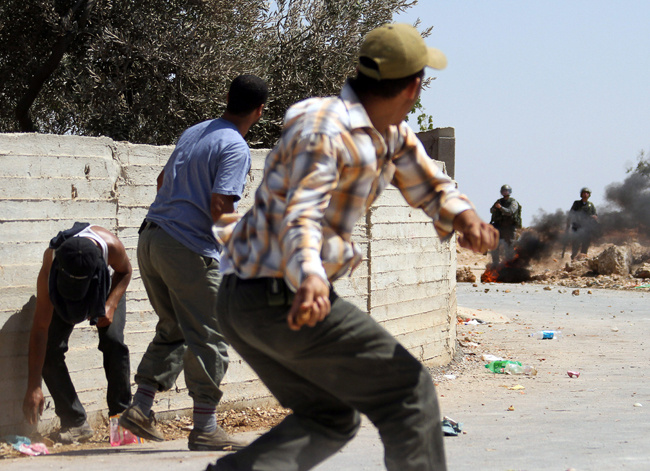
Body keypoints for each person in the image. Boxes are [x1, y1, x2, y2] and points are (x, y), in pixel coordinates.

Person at [207, 24, 498, 471]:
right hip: (279, 293)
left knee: (331, 416)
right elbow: (301, 211)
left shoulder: (390, 134)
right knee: (409, 392)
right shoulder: (325, 128)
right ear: (414, 86)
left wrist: (466, 218)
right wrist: (309, 274)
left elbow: (431, 185)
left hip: (249, 298)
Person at [118, 75, 268, 451]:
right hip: (187, 248)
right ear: (260, 111)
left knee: (174, 328)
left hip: (151, 239)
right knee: (211, 334)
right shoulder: (235, 146)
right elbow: (221, 206)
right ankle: (205, 427)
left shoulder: (196, 132)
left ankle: (140, 408)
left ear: (228, 98)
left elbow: (160, 180)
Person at [23, 222, 133, 444]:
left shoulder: (110, 246)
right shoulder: (51, 261)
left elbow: (125, 271)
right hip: (65, 294)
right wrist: (34, 385)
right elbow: (40, 330)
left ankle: (121, 420)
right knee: (49, 350)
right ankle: (74, 422)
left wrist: (111, 303)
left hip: (103, 292)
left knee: (113, 342)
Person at [489, 184, 521, 264]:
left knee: (509, 247)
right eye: (503, 191)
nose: (505, 192)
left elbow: (510, 212)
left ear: (509, 192)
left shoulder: (513, 202)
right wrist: (495, 209)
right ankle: (495, 263)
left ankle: (509, 264)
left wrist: (500, 208)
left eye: (506, 191)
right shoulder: (499, 201)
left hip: (509, 228)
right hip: (499, 226)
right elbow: (492, 210)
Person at [567, 187, 598, 260]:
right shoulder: (577, 203)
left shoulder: (590, 205)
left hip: (587, 228)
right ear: (581, 194)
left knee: (585, 244)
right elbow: (571, 213)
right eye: (584, 193)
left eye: (587, 193)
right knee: (576, 244)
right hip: (577, 227)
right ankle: (573, 259)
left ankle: (582, 259)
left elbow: (595, 215)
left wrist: (594, 217)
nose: (585, 195)